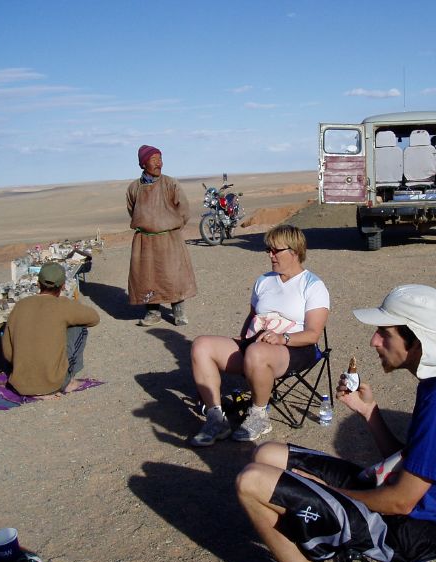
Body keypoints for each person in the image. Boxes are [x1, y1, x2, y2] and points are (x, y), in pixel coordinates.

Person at [235, 284, 436, 562]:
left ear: (416, 340)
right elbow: (411, 461)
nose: (374, 341)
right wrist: (368, 411)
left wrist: (327, 492)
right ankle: (302, 558)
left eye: (384, 333)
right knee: (268, 453)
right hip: (409, 499)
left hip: (410, 530)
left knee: (251, 482)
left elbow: (402, 501)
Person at [190, 224, 329, 446]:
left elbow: (313, 335)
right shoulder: (264, 280)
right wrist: (242, 340)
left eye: (275, 250)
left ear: (294, 251)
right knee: (201, 345)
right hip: (256, 345)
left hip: (296, 348)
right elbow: (252, 316)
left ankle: (259, 415)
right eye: (268, 250)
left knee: (256, 353)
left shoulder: (312, 285)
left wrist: (282, 338)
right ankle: (216, 419)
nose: (270, 255)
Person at [2, 262, 100, 396]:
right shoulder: (62, 305)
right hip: (53, 384)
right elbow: (94, 318)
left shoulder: (21, 305)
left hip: (20, 384)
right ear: (63, 286)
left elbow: (8, 352)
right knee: (79, 327)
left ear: (38, 283)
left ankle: (31, 374)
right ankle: (67, 381)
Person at [126, 144, 197, 327]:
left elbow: (184, 210)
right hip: (145, 241)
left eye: (160, 158)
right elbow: (132, 210)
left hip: (169, 239)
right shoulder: (134, 188)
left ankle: (178, 312)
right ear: (143, 164)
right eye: (154, 159)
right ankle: (152, 312)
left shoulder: (170, 184)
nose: (159, 163)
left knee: (173, 275)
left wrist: (171, 228)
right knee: (147, 277)